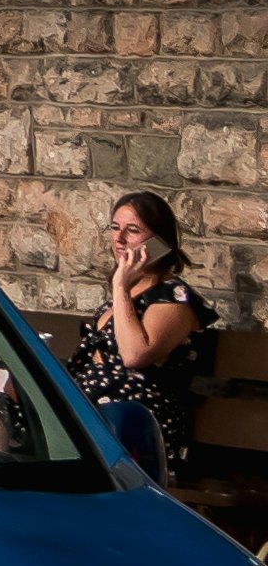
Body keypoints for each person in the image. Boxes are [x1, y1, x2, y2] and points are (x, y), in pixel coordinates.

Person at [80, 187, 210, 477]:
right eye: (115, 228)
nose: (119, 238)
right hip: (90, 412)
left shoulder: (173, 298)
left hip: (137, 423)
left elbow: (135, 355)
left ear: (159, 241)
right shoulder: (117, 300)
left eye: (133, 230)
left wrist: (120, 287)